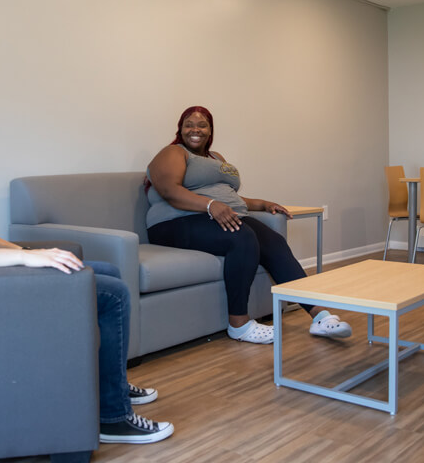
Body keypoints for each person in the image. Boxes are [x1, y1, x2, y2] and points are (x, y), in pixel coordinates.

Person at [0, 81, 173, 445]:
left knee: (107, 272)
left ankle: (110, 384)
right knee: (114, 293)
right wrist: (26, 258)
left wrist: (30, 254)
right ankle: (113, 417)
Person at [145, 105, 352, 344]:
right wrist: (211, 205)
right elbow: (170, 191)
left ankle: (319, 316)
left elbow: (227, 196)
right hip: (173, 222)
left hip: (214, 215)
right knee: (241, 237)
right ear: (180, 129)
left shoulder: (215, 158)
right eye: (189, 124)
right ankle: (239, 325)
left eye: (202, 125)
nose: (195, 129)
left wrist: (261, 204)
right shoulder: (173, 153)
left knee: (274, 241)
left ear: (210, 130)